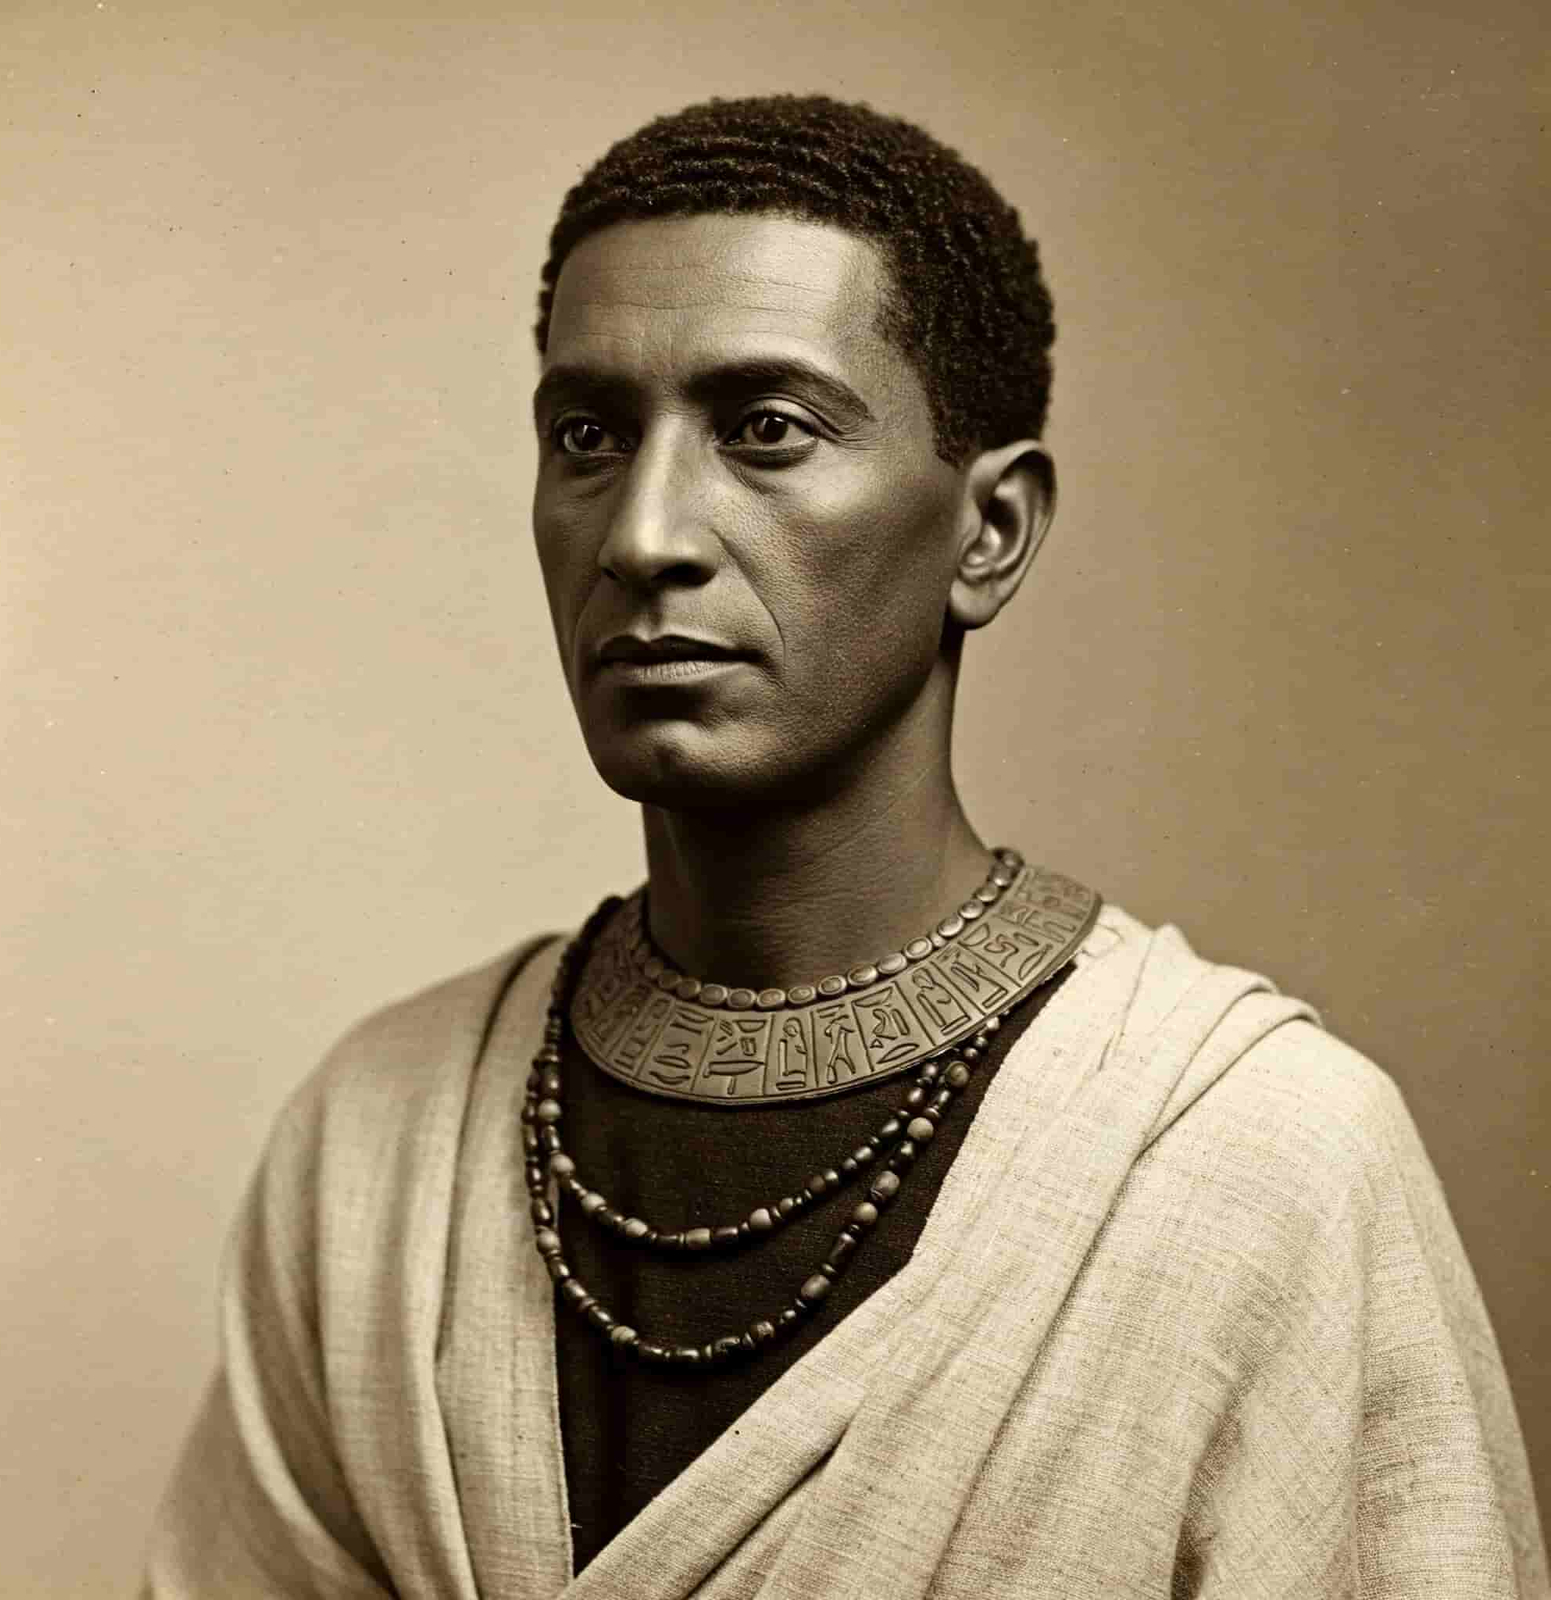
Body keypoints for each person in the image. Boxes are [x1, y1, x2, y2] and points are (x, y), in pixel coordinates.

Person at [143, 95, 1547, 1598]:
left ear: (990, 531)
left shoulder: (1257, 1159)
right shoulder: (377, 1144)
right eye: (588, 436)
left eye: (767, 430)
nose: (644, 534)